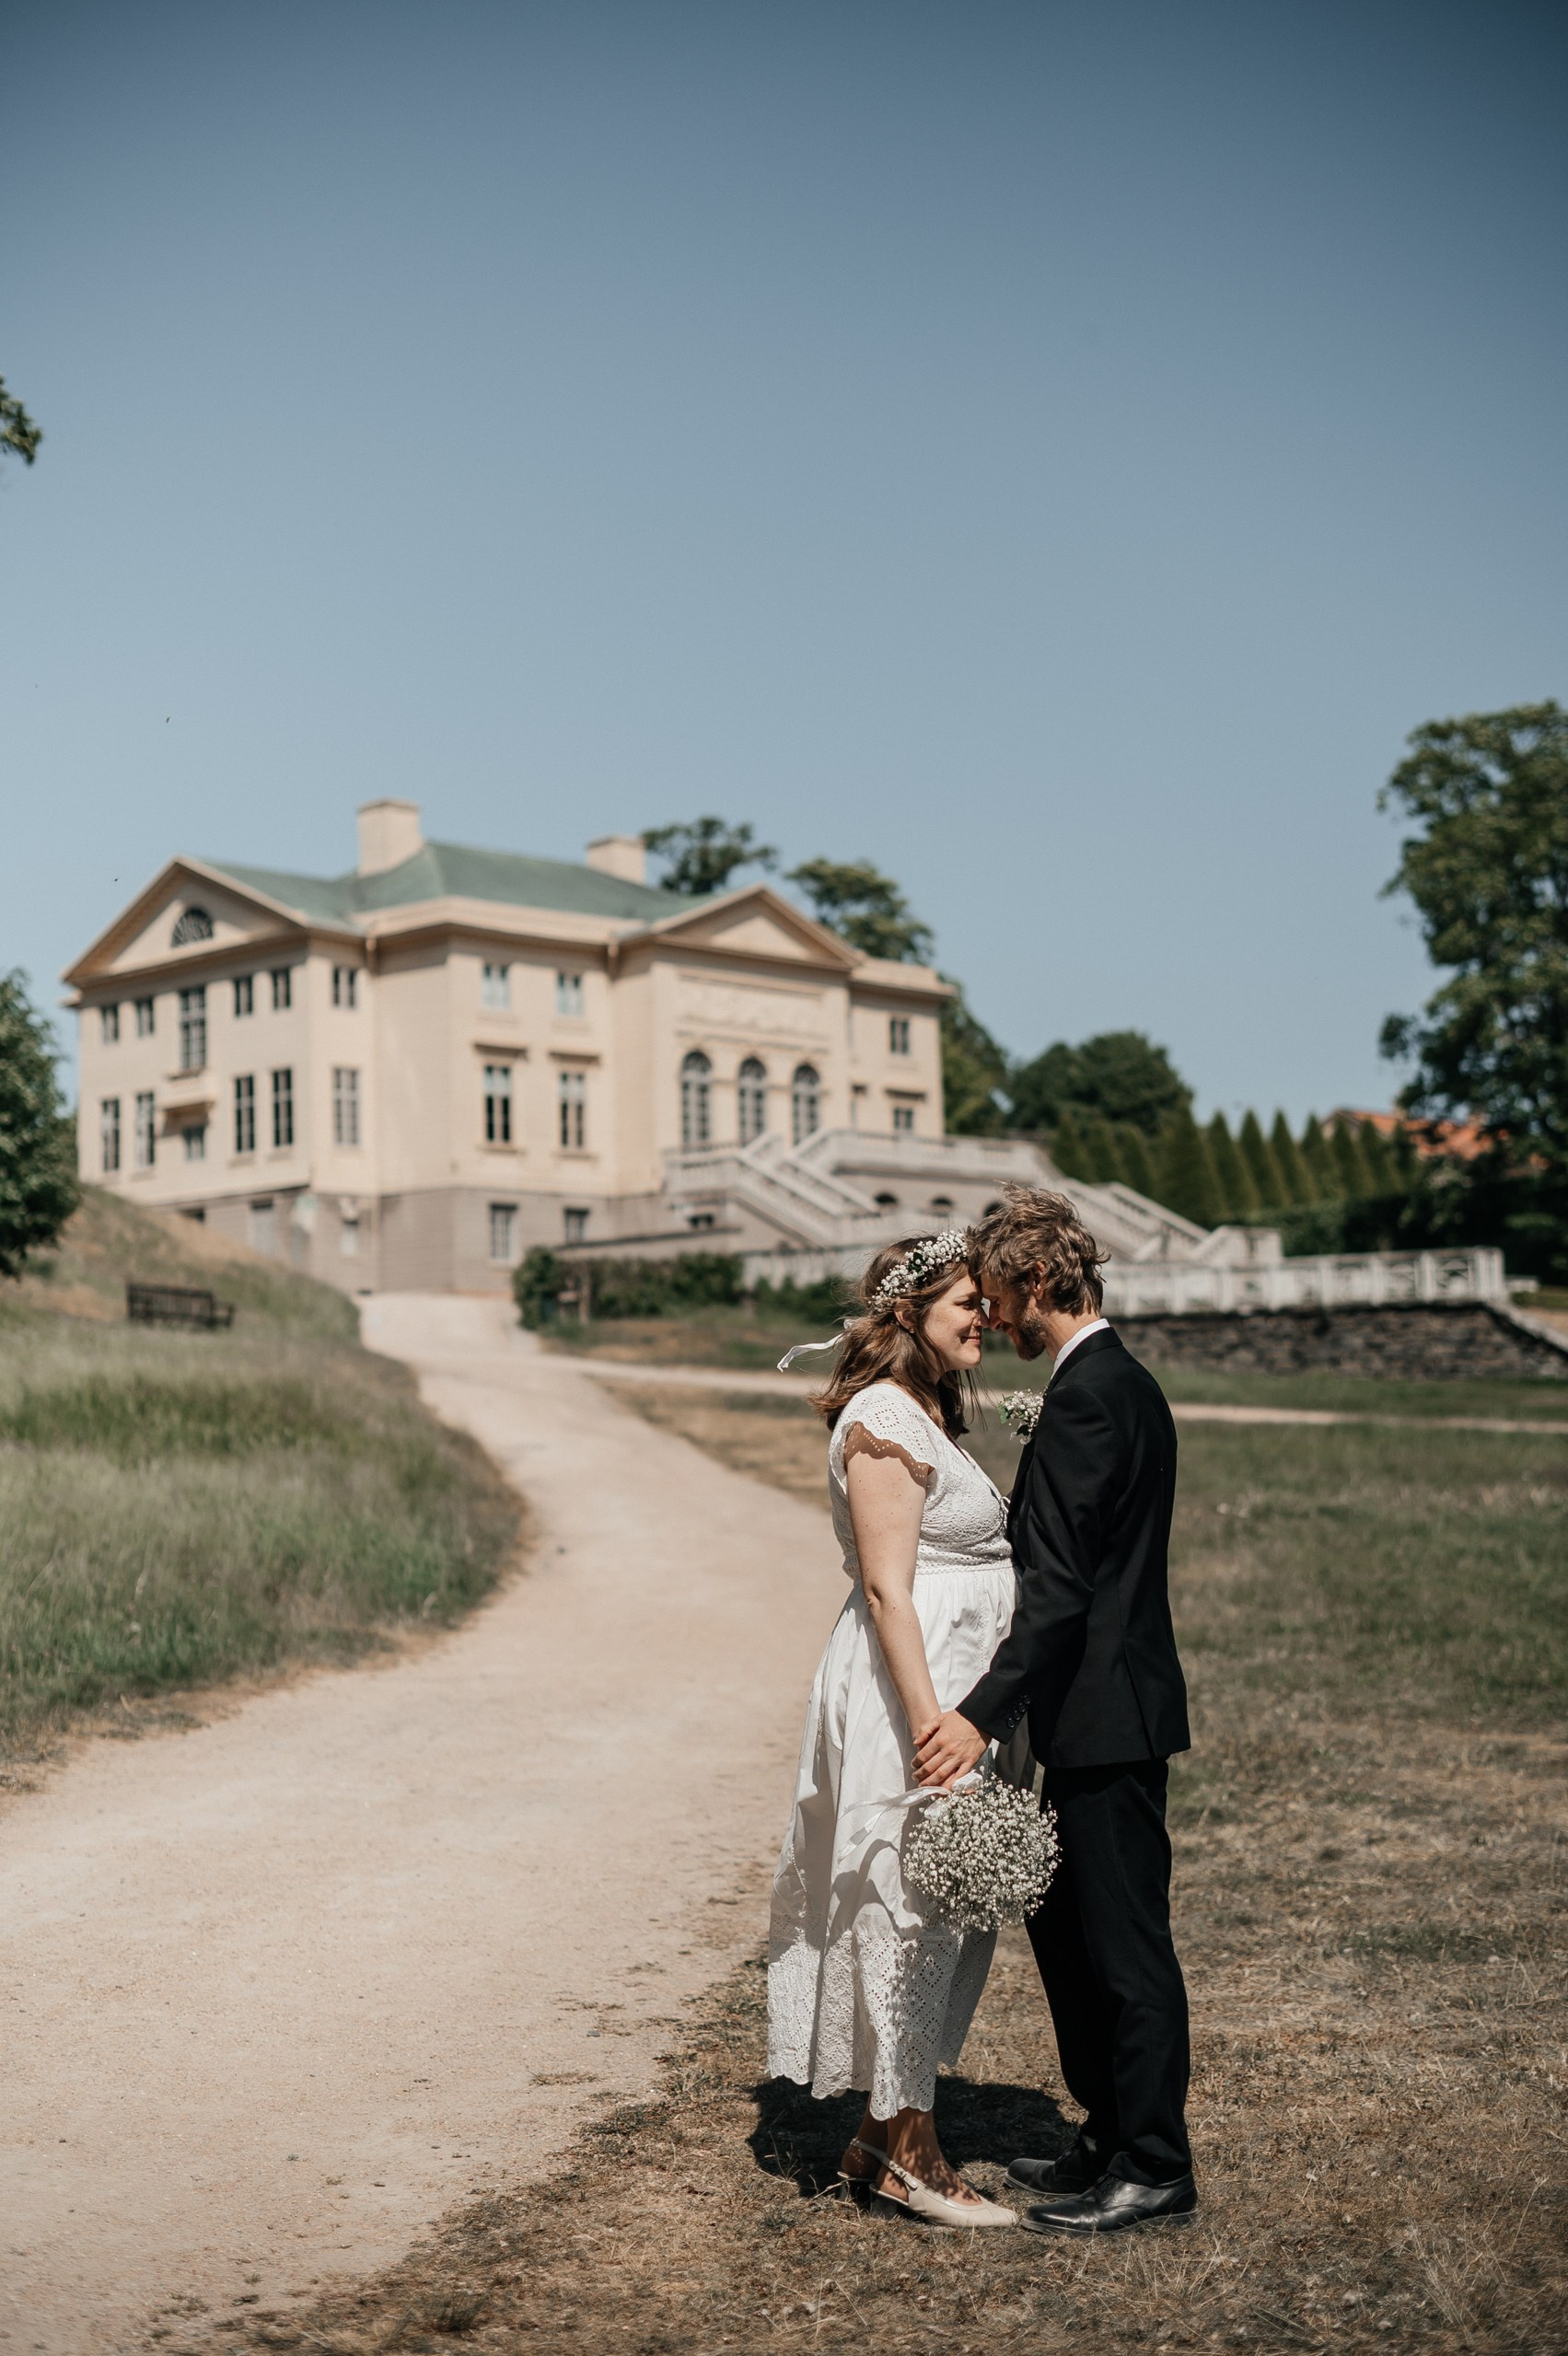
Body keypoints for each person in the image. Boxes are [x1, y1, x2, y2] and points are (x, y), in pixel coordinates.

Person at [914, 1184, 1196, 2237]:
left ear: (1036, 1283)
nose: (985, 1314)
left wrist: (980, 1714)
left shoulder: (1089, 1396)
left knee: (1122, 1950)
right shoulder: (1117, 1383)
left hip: (1104, 1716)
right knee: (1069, 1942)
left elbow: (1064, 1593)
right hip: (1089, 1710)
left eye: (991, 1292)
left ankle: (1156, 2166)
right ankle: (1107, 2136)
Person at [767, 1231, 1017, 2228]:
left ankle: (877, 2140)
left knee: (934, 1908)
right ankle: (915, 2159)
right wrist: (935, 1729)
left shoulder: (921, 1410)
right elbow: (884, 1587)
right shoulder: (880, 1416)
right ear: (906, 1313)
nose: (983, 1317)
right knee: (904, 1906)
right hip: (910, 1698)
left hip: (948, 1693)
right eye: (964, 1301)